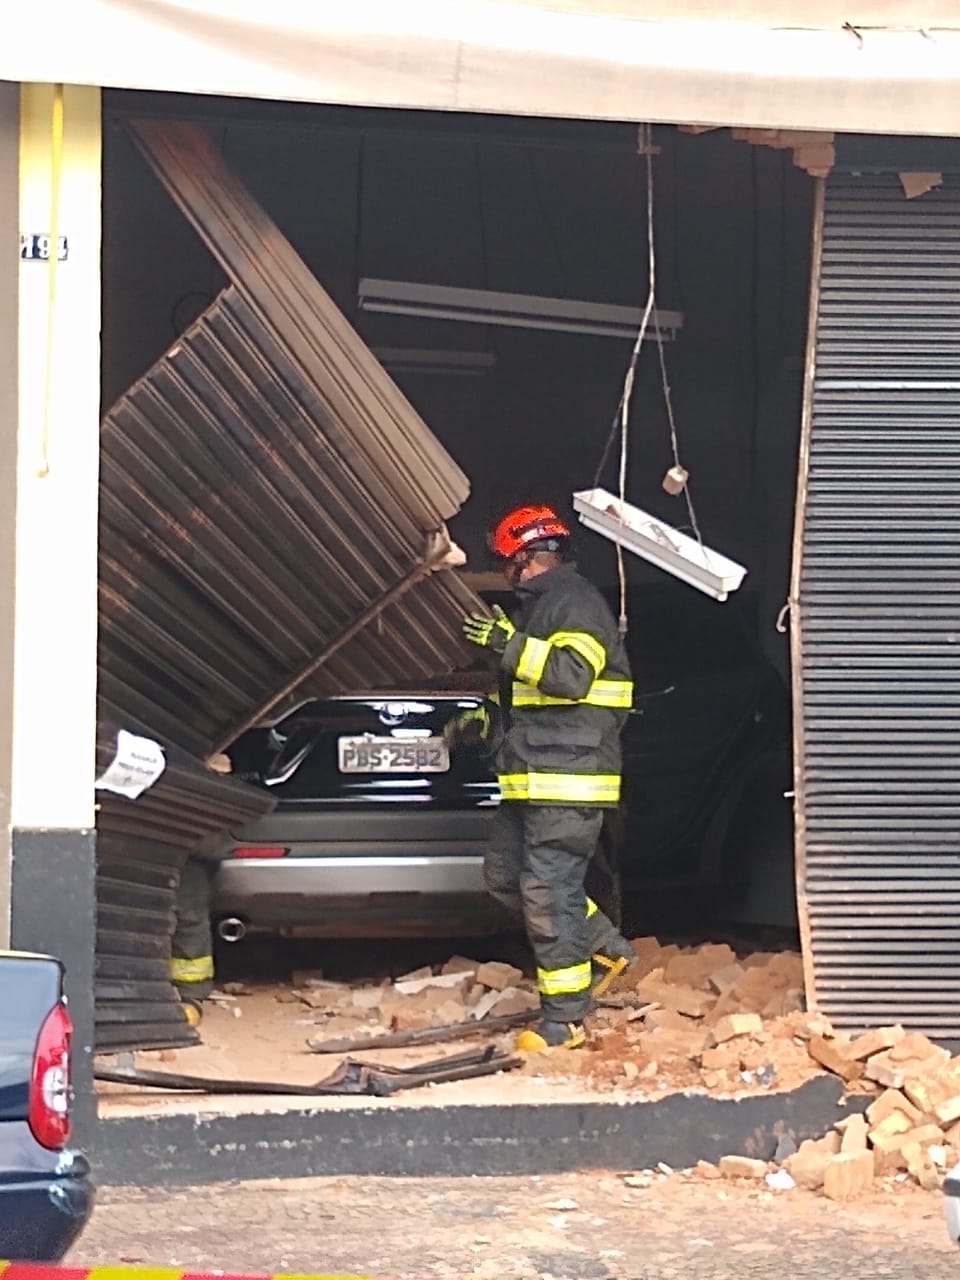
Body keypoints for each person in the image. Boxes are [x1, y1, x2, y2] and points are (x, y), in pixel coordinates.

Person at [461, 503, 637, 1050]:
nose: (506, 573)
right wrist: (487, 717)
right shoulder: (542, 609)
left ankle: (566, 1021)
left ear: (525, 558)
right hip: (533, 777)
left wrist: (504, 645)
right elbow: (533, 696)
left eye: (506, 562)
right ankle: (605, 946)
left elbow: (569, 677)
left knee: (548, 888)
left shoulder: (574, 602)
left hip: (568, 780)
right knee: (505, 876)